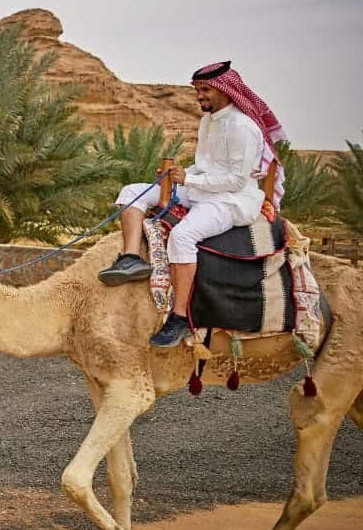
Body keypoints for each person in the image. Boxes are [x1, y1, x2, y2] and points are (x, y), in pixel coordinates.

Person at [97, 61, 286, 347]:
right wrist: (175, 176)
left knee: (183, 236)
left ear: (226, 90)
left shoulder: (243, 128)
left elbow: (235, 180)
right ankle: (131, 259)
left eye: (205, 90)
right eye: (197, 90)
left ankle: (181, 317)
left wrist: (188, 179)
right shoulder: (209, 120)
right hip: (202, 190)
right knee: (131, 193)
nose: (200, 96)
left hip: (232, 201)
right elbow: (204, 165)